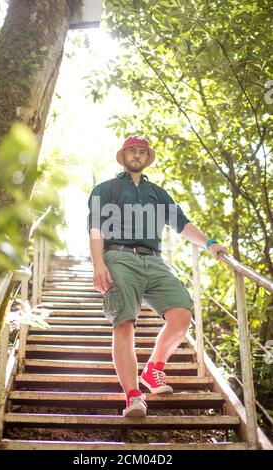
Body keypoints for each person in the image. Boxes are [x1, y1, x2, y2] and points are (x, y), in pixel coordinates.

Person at [87, 135, 228, 418]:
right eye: (132, 151)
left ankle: (153, 369)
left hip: (154, 260)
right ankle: (134, 397)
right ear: (123, 156)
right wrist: (98, 263)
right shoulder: (106, 189)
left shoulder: (158, 193)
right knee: (125, 322)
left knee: (182, 314)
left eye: (142, 152)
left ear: (147, 157)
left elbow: (182, 224)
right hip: (119, 256)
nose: (136, 155)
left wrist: (209, 243)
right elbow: (95, 228)